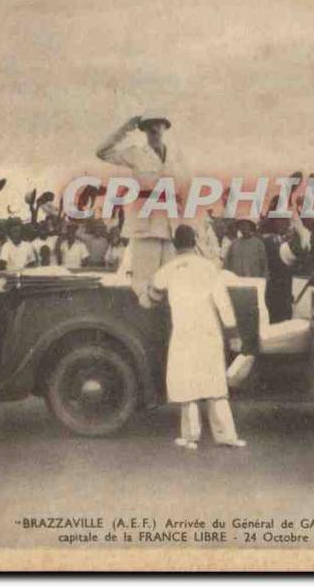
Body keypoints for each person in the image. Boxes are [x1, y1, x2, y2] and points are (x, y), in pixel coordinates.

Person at [151, 224, 245, 450]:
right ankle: (227, 436)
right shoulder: (209, 267)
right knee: (215, 383)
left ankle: (190, 437)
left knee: (187, 384)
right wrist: (233, 333)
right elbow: (223, 302)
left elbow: (154, 286)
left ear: (175, 245)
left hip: (184, 332)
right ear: (194, 242)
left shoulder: (170, 268)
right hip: (209, 331)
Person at [96, 110, 189, 303]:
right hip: (146, 226)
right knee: (145, 284)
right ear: (144, 130)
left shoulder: (175, 155)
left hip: (170, 226)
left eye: (159, 124)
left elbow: (183, 186)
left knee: (171, 283)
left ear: (165, 127)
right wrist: (124, 129)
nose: (155, 129)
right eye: (150, 126)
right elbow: (101, 152)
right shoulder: (136, 154)